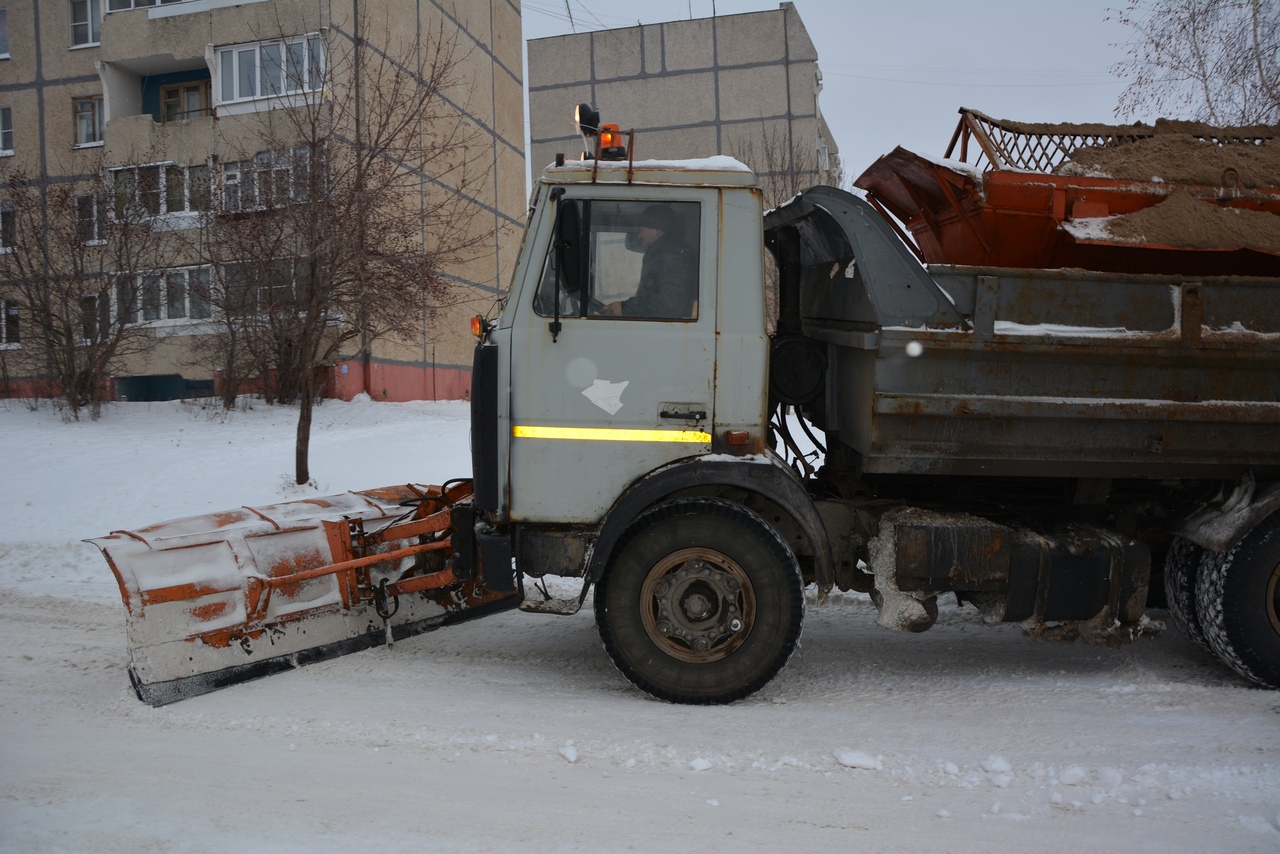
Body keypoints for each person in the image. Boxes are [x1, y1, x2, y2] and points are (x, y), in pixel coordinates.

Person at [601, 204, 697, 319]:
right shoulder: (665, 253)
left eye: (642, 229)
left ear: (658, 229)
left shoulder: (672, 255)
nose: (639, 236)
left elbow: (670, 304)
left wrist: (625, 308)